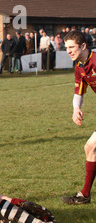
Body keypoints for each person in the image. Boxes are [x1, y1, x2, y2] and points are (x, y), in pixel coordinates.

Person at [61, 31, 96, 205]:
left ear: (83, 46)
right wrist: (76, 108)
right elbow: (78, 91)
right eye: (66, 47)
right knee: (90, 148)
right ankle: (85, 195)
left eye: (71, 47)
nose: (68, 51)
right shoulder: (80, 67)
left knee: (91, 147)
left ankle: (85, 195)